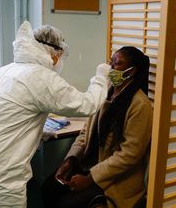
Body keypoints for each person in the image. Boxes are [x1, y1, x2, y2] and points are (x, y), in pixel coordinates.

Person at [0, 21, 111, 207]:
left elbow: (6, 114)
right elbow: (88, 104)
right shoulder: (42, 78)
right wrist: (102, 76)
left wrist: (37, 130)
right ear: (55, 54)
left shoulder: (4, 71)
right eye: (61, 56)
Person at [42, 46, 153, 208]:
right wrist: (70, 160)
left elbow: (130, 154)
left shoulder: (140, 105)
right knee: (48, 188)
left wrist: (90, 179)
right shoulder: (106, 92)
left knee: (67, 204)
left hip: (115, 177)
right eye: (111, 61)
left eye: (117, 64)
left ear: (130, 72)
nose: (110, 68)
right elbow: (85, 132)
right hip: (89, 164)